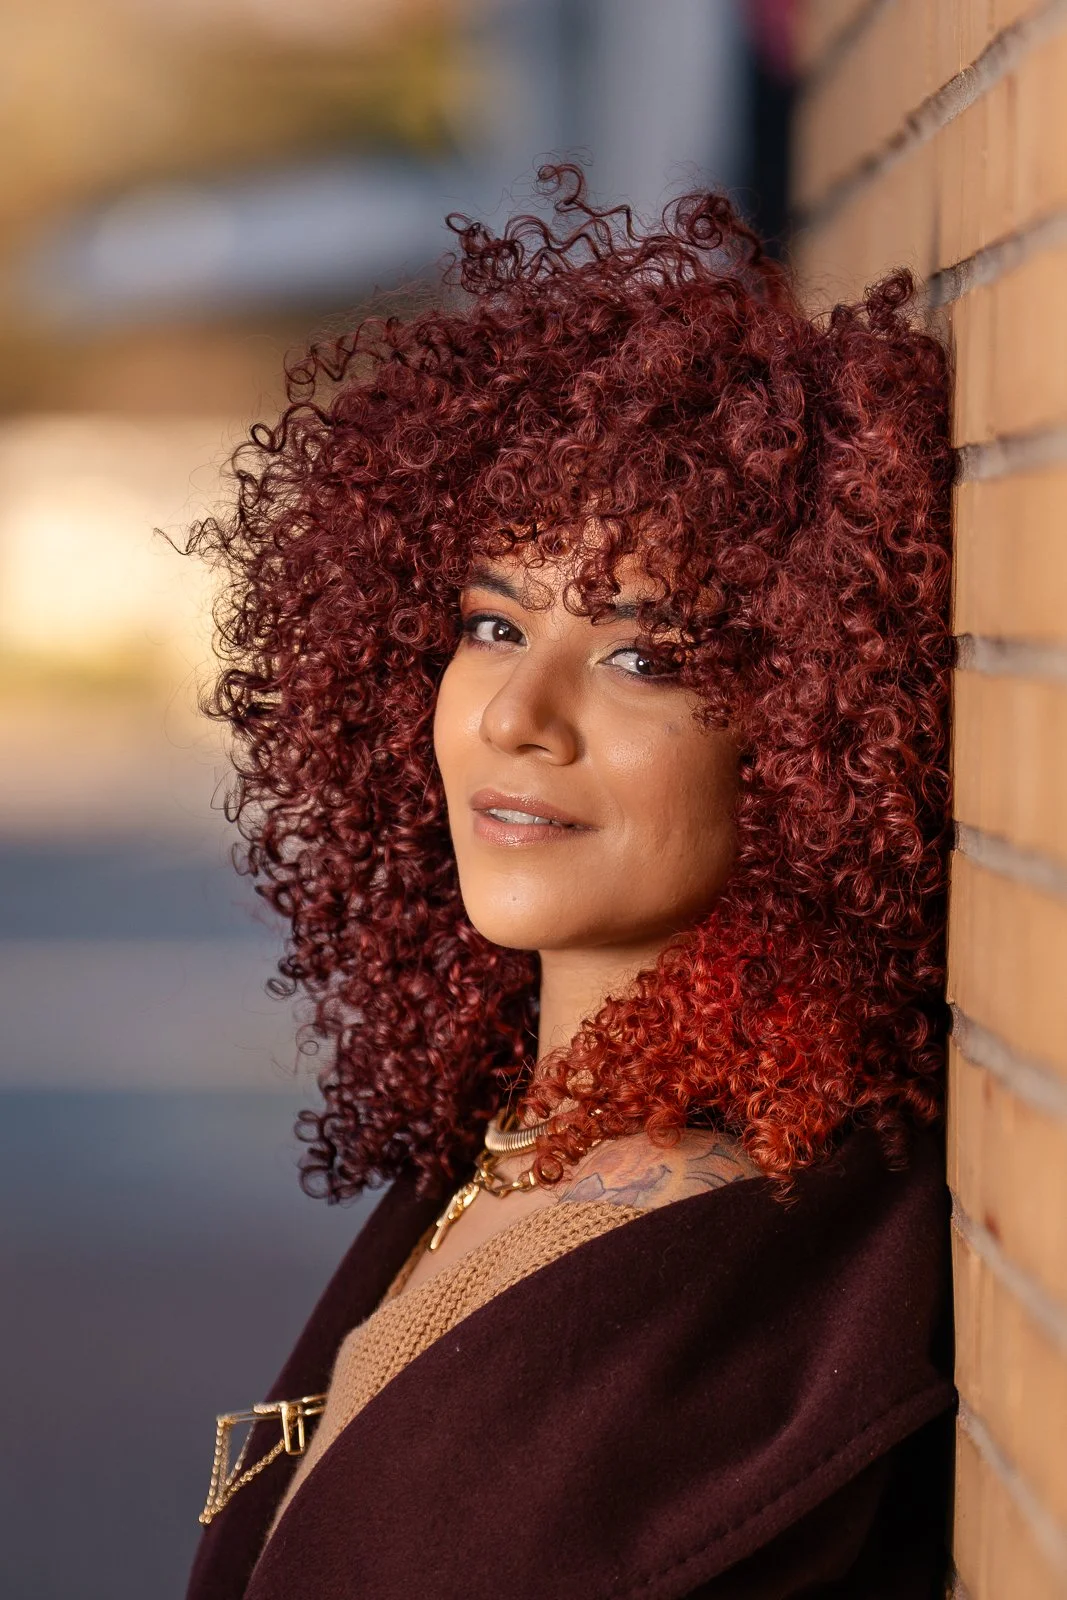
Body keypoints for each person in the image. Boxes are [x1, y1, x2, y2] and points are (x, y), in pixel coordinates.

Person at [185, 164, 957, 1600]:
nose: (515, 716)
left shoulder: (715, 1280)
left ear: (812, 734)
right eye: (492, 623)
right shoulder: (519, 1137)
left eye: (643, 657)